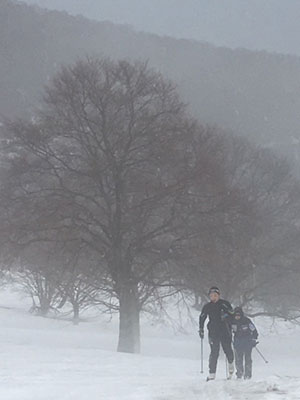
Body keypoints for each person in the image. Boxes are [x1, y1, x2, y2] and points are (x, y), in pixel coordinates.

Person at [199, 286, 235, 381]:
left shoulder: (224, 304)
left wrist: (226, 316)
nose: (213, 297)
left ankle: (231, 367)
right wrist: (201, 329)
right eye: (211, 296)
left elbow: (232, 314)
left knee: (228, 350)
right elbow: (202, 317)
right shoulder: (207, 306)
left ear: (218, 295)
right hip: (213, 331)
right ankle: (212, 373)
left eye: (215, 295)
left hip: (225, 330)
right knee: (214, 352)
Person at [230, 306, 258, 380]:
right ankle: (239, 374)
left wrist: (254, 339)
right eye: (236, 315)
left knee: (248, 359)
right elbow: (228, 330)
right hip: (238, 343)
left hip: (247, 342)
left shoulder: (247, 321)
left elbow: (254, 330)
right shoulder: (232, 321)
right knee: (238, 359)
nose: (237, 317)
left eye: (239, 315)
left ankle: (248, 375)